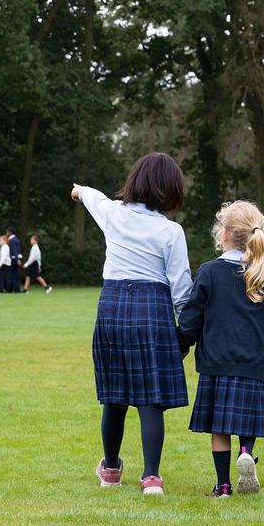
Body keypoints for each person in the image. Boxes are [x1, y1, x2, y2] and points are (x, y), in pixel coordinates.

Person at [72, 151, 192, 496]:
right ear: (171, 190)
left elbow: (93, 196)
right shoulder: (171, 232)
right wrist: (184, 336)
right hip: (153, 310)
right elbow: (182, 288)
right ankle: (151, 476)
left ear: (135, 183)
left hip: (111, 309)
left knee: (115, 396)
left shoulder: (113, 214)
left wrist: (79, 191)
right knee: (150, 398)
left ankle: (110, 469)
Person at [177, 201, 264, 497]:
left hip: (216, 362)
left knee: (219, 427)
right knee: (246, 420)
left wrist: (182, 345)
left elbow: (192, 317)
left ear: (224, 233)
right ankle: (246, 451)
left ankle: (223, 484)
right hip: (252, 363)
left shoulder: (209, 272)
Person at [5, 227, 22, 293]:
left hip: (14, 259)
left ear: (10, 232)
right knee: (13, 274)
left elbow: (15, 250)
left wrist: (17, 260)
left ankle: (14, 289)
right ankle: (12, 289)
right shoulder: (15, 239)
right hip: (16, 258)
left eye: (7, 232)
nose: (6, 233)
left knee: (14, 274)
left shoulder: (12, 240)